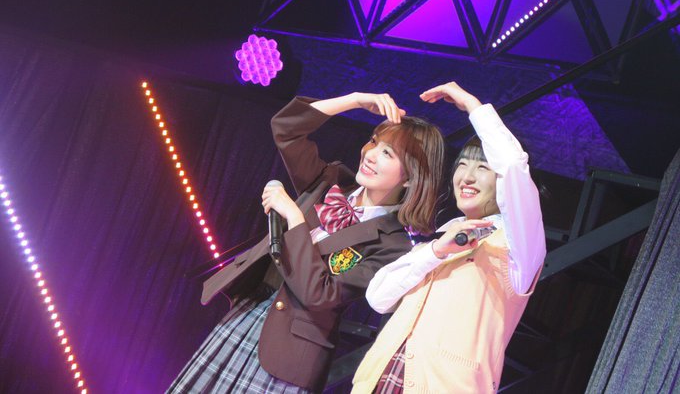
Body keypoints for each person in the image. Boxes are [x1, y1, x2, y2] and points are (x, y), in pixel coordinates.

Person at [168, 92, 445, 393]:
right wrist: (354, 100)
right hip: (249, 314)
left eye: (388, 153)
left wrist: (294, 217)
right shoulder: (330, 181)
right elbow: (286, 128)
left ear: (410, 178)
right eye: (373, 141)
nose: (370, 154)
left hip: (291, 353)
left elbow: (320, 294)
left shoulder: (394, 245)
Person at [352, 82, 546, 393]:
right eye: (462, 165)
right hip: (380, 381)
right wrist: (435, 252)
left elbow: (512, 166)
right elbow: (378, 297)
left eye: (483, 168)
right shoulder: (442, 238)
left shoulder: (517, 247)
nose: (467, 176)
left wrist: (472, 105)